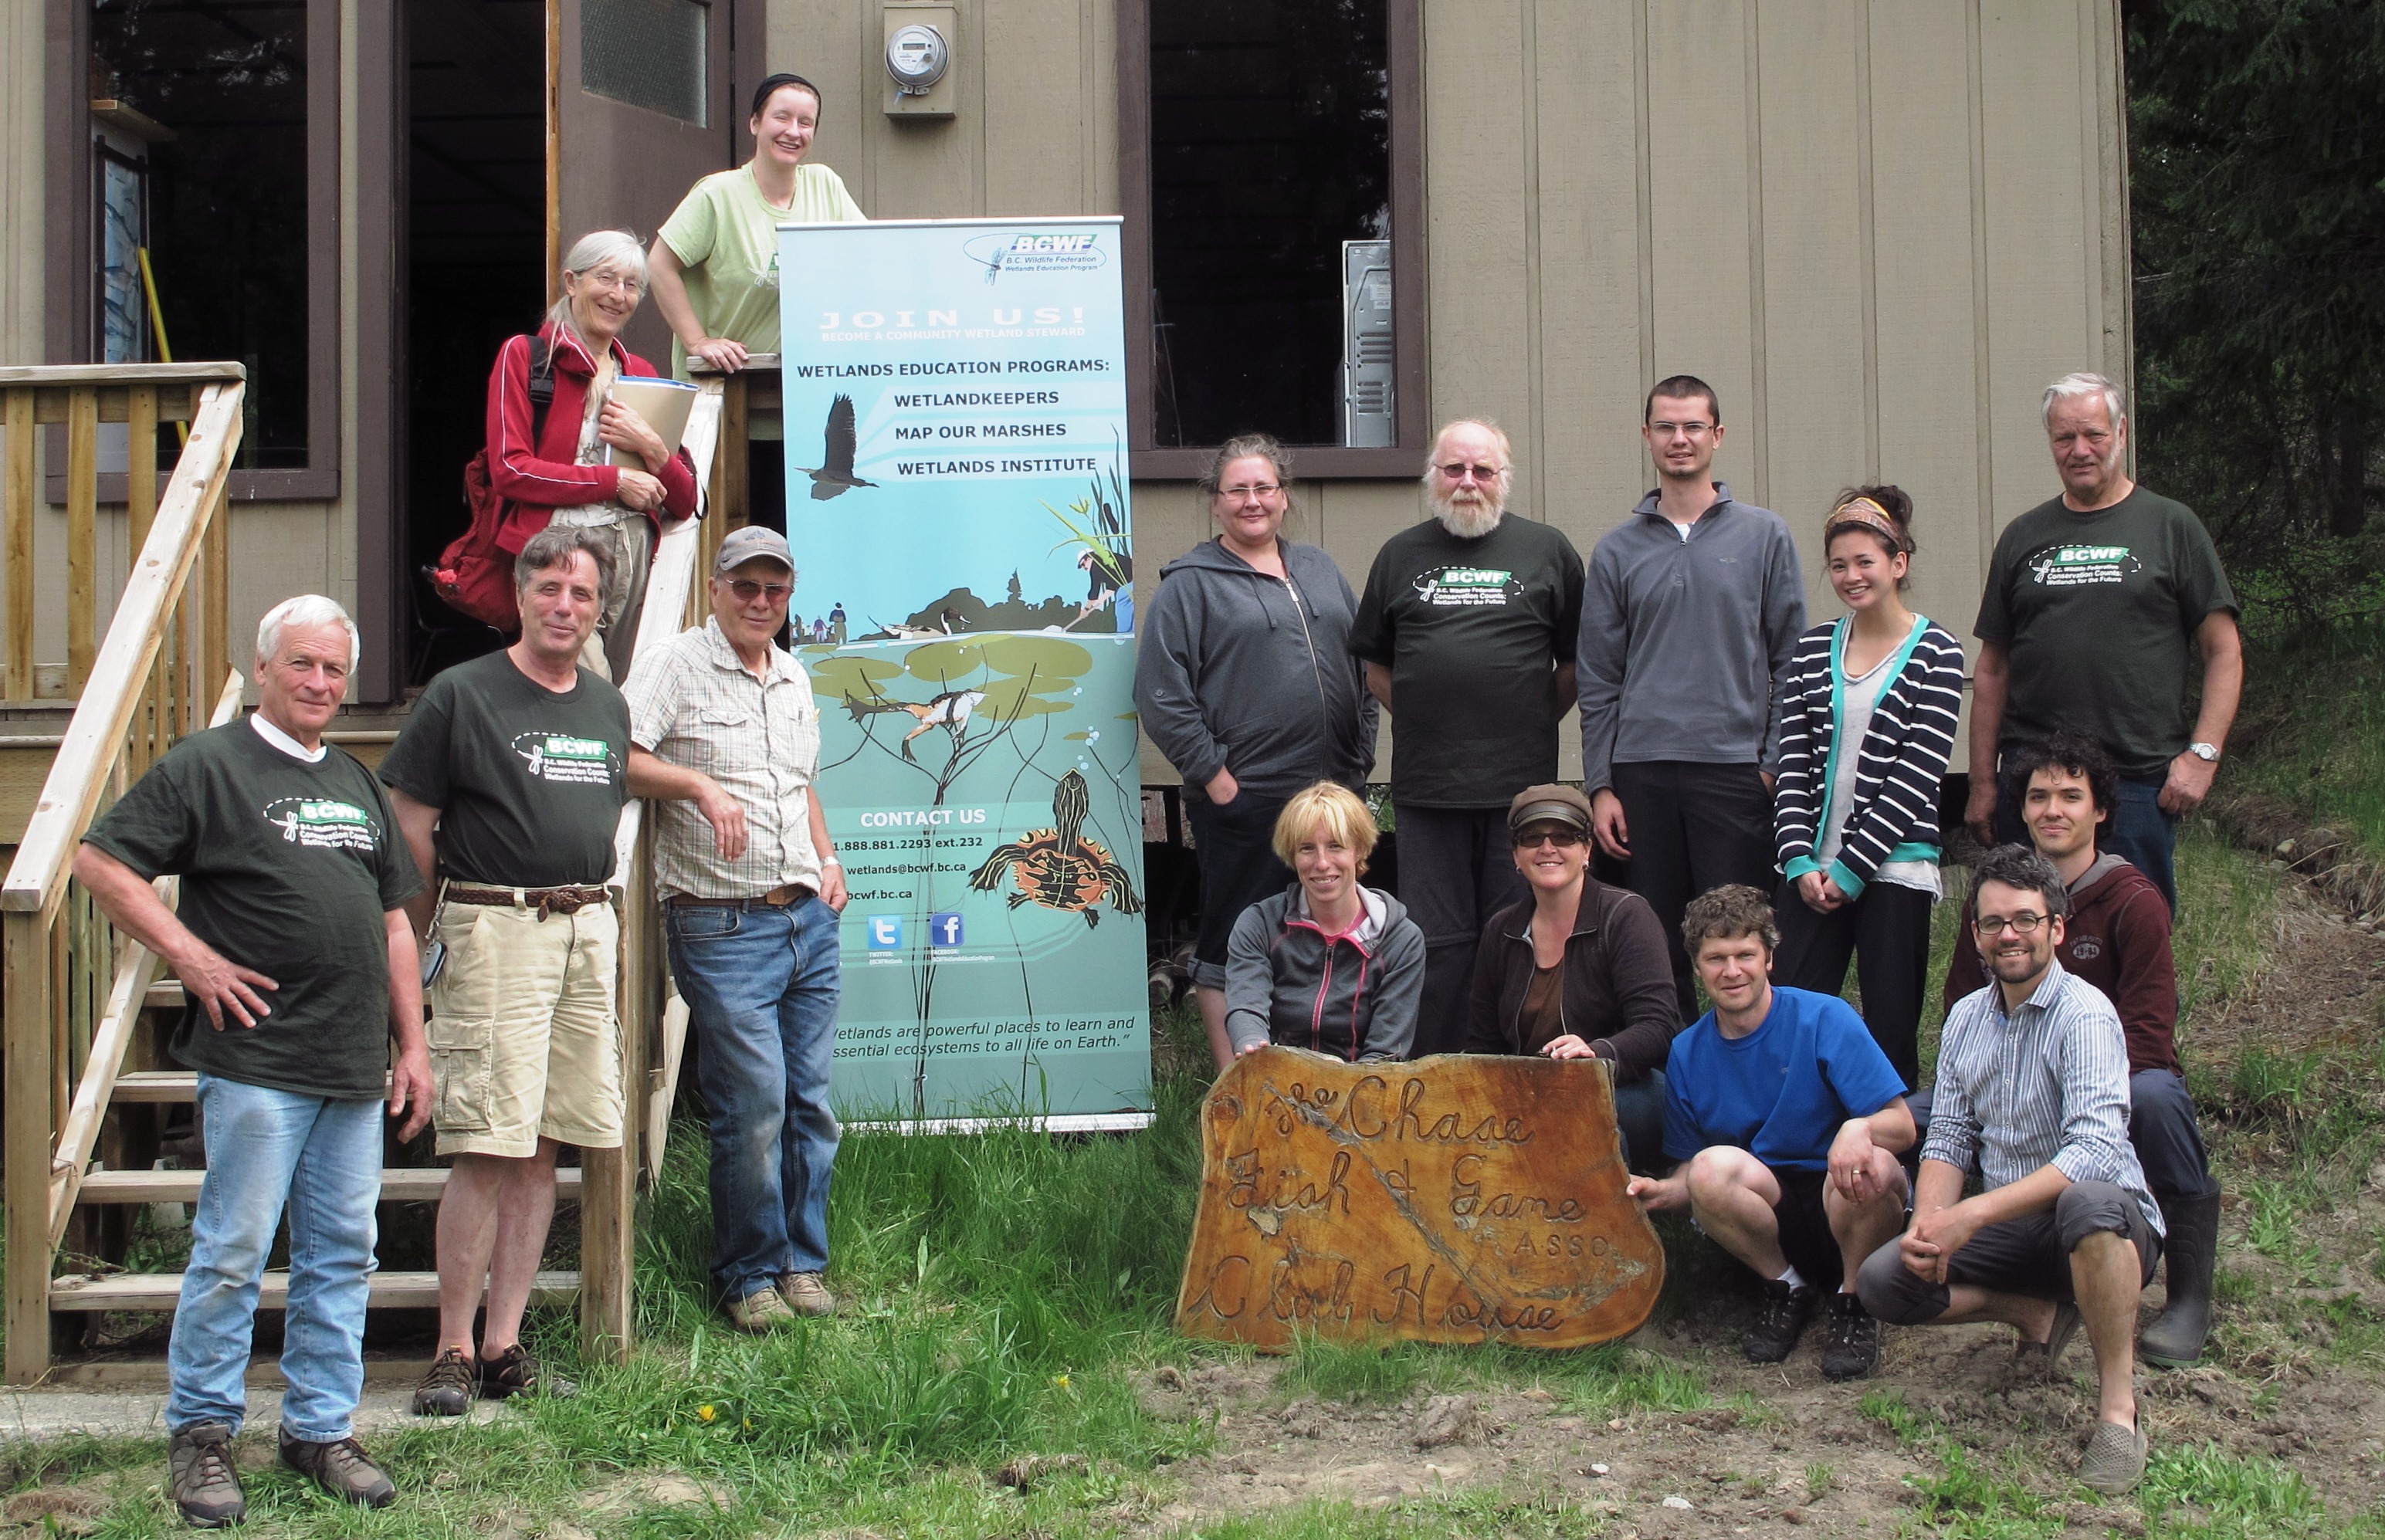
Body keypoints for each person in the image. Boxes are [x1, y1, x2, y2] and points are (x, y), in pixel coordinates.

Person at [74, 597, 428, 1523]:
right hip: (257, 1058)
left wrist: (414, 1045)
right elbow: (101, 863)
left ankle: (319, 1429)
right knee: (234, 1251)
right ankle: (202, 1434)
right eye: (302, 664)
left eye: (334, 670)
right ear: (263, 668)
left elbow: (395, 924)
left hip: (351, 1062)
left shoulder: (356, 783)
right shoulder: (208, 765)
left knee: (342, 1254)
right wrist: (190, 958)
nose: (319, 682)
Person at [381, 527, 634, 1416]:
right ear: (521, 596)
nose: (565, 606)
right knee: (488, 1142)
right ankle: (451, 1347)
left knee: (545, 1144)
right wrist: (423, 938)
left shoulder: (606, 706)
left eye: (582, 593)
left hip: (585, 930)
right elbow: (410, 826)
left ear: (599, 610)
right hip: (494, 927)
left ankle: (502, 1345)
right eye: (550, 588)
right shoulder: (462, 694)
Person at [1858, 844, 2166, 1497]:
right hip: (2015, 1228)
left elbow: (2093, 1151)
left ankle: (2118, 1411)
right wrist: (1929, 1224)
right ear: (1975, 934)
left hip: (2109, 1226)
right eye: (1993, 922)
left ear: (2056, 928)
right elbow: (1949, 1134)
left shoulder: (2085, 1013)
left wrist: (1969, 1215)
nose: (2009, 935)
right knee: (1885, 1281)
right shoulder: (1965, 1017)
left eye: (2025, 919)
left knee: (2087, 1204)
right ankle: (2037, 1313)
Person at [623, 526, 851, 1330]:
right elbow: (620, 755)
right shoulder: (675, 664)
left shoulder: (791, 673)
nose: (760, 602)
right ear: (715, 588)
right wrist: (697, 786)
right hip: (720, 924)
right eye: (745, 587)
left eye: (774, 590)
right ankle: (745, 1273)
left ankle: (801, 1262)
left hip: (806, 920)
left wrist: (828, 858)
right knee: (753, 1105)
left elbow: (801, 783)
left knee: (809, 1104)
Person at [1940, 733, 2222, 1366]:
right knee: (1919, 1112)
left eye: (2070, 795)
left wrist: (2073, 1093)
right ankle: (1918, 1249)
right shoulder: (1995, 900)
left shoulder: (2132, 900)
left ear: (2100, 810)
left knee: (2155, 1096)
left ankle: (2186, 1293)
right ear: (2021, 810)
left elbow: (2148, 1031)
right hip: (2009, 1079)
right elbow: (1960, 1004)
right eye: (2038, 796)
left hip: (2114, 1082)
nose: (2052, 809)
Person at [1137, 435, 1378, 1068]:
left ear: (1284, 496)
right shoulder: (1190, 586)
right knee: (1233, 937)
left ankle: (1318, 1068)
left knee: (1324, 932)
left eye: (1263, 488)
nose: (1252, 501)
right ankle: (1235, 1084)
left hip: (1332, 795)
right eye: (1237, 490)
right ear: (1215, 502)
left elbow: (1364, 664)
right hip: (1248, 801)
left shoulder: (1319, 569)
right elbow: (1160, 693)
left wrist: (1362, 756)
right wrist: (1217, 779)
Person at [1963, 371, 2243, 912]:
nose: (2080, 450)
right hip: (2033, 779)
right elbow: (1993, 668)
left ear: (2121, 433)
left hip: (2135, 779)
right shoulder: (2022, 535)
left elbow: (2223, 650)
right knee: (2025, 931)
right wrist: (1982, 782)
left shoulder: (2171, 526)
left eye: (2093, 434)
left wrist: (2203, 755)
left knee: (2132, 931)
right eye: (2064, 438)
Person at [1349, 418, 1584, 1053]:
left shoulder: (1547, 550)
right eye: (1453, 468)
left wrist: (1529, 718)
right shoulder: (1399, 554)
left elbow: (1574, 661)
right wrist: (1428, 717)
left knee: (1517, 931)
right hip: (1428, 786)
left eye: (1482, 469)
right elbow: (1375, 667)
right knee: (1436, 939)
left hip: (1521, 790)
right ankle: (1440, 1071)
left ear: (1504, 478)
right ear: (1433, 476)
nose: (1467, 481)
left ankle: (1515, 1065)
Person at [1579, 375, 1807, 1022]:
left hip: (1733, 770)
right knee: (1651, 939)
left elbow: (1793, 661)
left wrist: (1771, 764)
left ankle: (1750, 1055)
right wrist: (1601, 784)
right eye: (1665, 427)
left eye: (1692, 427)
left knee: (1738, 935)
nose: (1679, 439)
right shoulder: (1616, 550)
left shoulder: (1764, 536)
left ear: (1717, 435)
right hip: (1640, 773)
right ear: (1646, 436)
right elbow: (1598, 677)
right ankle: (1669, 1062)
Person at [1627, 886, 1912, 1380]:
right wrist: (1664, 1191)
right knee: (1710, 1168)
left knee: (1874, 1163)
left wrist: (1858, 1127)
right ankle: (1786, 1287)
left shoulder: (1824, 1017)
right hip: (1770, 1206)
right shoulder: (1687, 1051)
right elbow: (1692, 1165)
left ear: (1769, 959)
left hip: (1842, 1196)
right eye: (1716, 958)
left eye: (1745, 955)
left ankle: (1855, 1300)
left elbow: (1903, 1126)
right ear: (1697, 968)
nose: (1732, 971)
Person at [1770, 489, 1965, 1092]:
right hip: (1810, 872)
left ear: (1897, 563)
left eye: (1864, 562)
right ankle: (1798, 1136)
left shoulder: (1937, 652)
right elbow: (1792, 762)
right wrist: (1798, 858)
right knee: (1790, 1018)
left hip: (1892, 869)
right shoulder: (1811, 650)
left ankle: (1892, 1142)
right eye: (1838, 565)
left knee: (1889, 1027)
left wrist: (1852, 868)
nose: (1851, 576)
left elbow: (1917, 774)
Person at [648, 73, 867, 532]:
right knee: (741, 541)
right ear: (754, 123)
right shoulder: (718, 194)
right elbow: (660, 265)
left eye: (806, 122)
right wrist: (698, 341)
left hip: (805, 410)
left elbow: (866, 260)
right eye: (781, 117)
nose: (793, 131)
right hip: (729, 410)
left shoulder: (825, 186)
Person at [485, 229, 701, 683]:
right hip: (557, 550)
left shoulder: (640, 373)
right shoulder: (526, 356)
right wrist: (614, 482)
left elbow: (685, 500)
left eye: (632, 285)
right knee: (591, 685)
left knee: (630, 686)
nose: (619, 295)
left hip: (633, 555)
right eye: (606, 278)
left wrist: (653, 448)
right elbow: (509, 470)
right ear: (571, 282)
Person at [1465, 785, 1679, 1169]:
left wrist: (1596, 1053)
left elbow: (1658, 1026)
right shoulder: (1501, 930)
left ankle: (1610, 1208)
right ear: (1516, 855)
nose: (1547, 848)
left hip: (1627, 1090)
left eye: (1564, 836)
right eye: (1532, 838)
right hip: (1529, 1094)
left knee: (1572, 1113)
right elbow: (1484, 1043)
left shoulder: (1627, 916)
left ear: (1587, 850)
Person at [1222, 782, 1425, 1062]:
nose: (1322, 863)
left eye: (1335, 847)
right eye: (1307, 849)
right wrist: (1253, 1049)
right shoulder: (1259, 924)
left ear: (1359, 850)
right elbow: (1246, 1007)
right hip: (1277, 1072)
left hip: (1364, 1079)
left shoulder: (1402, 939)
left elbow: (1386, 1051)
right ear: (1292, 855)